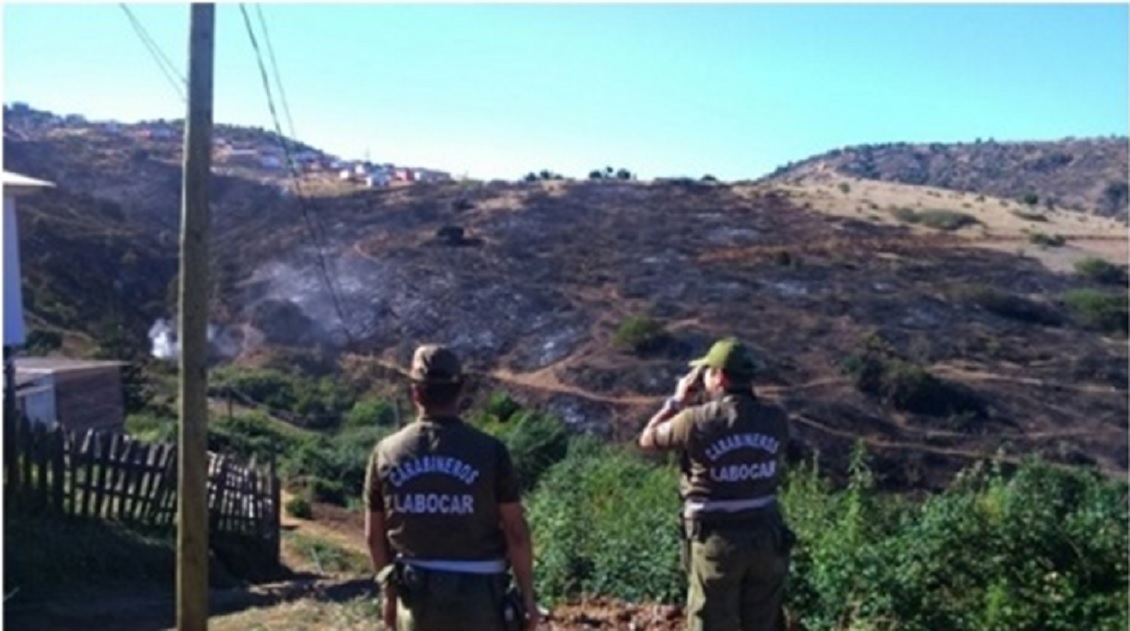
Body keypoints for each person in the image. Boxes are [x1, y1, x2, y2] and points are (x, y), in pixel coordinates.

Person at [364, 344, 539, 631]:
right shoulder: (491, 451)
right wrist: (528, 598)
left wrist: (389, 597)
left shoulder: (386, 452)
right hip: (481, 600)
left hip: (416, 599)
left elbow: (375, 537)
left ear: (415, 392)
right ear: (460, 391)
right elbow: (516, 533)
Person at [638, 337, 793, 631]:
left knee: (710, 622)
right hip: (767, 537)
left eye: (706, 371)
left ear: (719, 376)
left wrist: (677, 401)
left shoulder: (694, 420)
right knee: (763, 623)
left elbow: (647, 439)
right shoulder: (777, 419)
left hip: (716, 539)